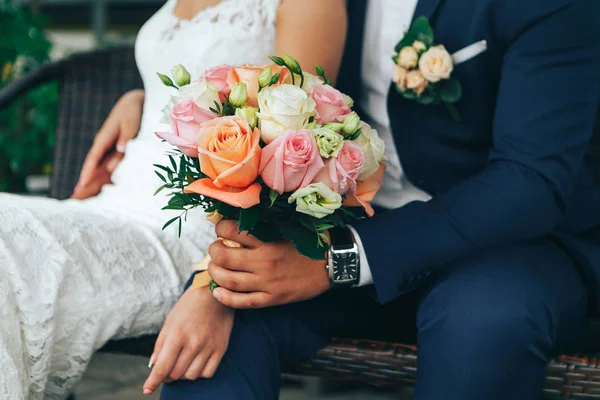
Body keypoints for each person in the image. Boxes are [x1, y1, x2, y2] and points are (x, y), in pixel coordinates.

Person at [152, 0, 600, 399]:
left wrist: (338, 259)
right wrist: (138, 100)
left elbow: (530, 181)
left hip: (511, 244)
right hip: (351, 218)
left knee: (484, 324)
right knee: (222, 325)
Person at [0, 0, 347, 398]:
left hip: (193, 231)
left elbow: (297, 146)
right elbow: (183, 83)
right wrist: (139, 98)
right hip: (111, 201)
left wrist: (211, 281)